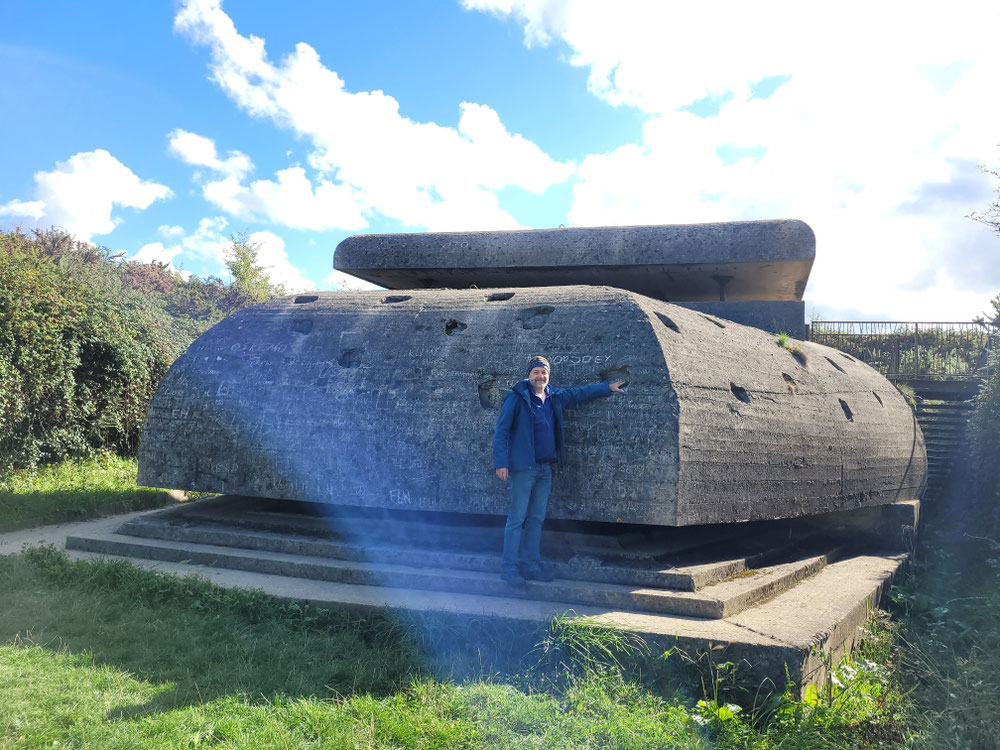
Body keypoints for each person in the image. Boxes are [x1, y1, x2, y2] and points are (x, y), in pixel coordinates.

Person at [492, 355, 625, 586]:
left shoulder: (553, 396)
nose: (540, 376)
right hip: (523, 468)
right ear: (529, 374)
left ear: (548, 375)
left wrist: (607, 387)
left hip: (545, 469)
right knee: (516, 520)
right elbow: (501, 431)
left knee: (536, 519)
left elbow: (579, 393)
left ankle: (530, 564)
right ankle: (508, 567)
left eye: (544, 372)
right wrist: (500, 462)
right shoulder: (516, 397)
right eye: (536, 372)